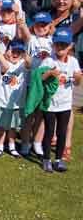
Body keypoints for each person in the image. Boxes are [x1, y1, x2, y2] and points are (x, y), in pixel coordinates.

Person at [40, 28, 82, 172]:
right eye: (58, 45)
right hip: (50, 103)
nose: (60, 48)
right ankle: (46, 159)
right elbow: (40, 78)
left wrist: (78, 78)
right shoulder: (48, 59)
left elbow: (77, 83)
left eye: (64, 45)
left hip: (65, 103)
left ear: (70, 46)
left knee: (62, 132)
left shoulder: (74, 61)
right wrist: (50, 72)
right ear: (53, 45)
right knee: (49, 132)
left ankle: (58, 160)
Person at [18, 11, 53, 156]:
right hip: (31, 82)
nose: (41, 28)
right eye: (38, 25)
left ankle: (37, 142)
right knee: (29, 115)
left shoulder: (52, 41)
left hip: (45, 82)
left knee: (41, 115)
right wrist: (22, 21)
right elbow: (24, 31)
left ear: (49, 26)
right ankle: (26, 143)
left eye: (44, 25)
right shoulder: (31, 40)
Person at [0, 40, 30, 157]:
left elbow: (29, 63)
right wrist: (0, 53)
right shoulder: (1, 63)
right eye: (13, 51)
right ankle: (0, 145)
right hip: (3, 101)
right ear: (7, 51)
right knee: (2, 126)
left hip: (17, 103)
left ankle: (12, 146)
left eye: (19, 52)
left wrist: (24, 54)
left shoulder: (22, 64)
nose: (15, 54)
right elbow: (6, 67)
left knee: (13, 127)